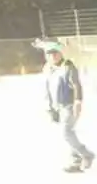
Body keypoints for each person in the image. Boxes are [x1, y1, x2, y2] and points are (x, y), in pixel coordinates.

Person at [40, 41, 94, 173]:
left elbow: (76, 85)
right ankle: (76, 161)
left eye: (55, 53)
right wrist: (49, 108)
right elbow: (47, 89)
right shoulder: (48, 69)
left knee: (66, 132)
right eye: (49, 54)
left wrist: (78, 101)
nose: (53, 56)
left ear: (60, 53)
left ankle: (86, 154)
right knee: (68, 133)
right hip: (57, 107)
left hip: (69, 105)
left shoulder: (68, 66)